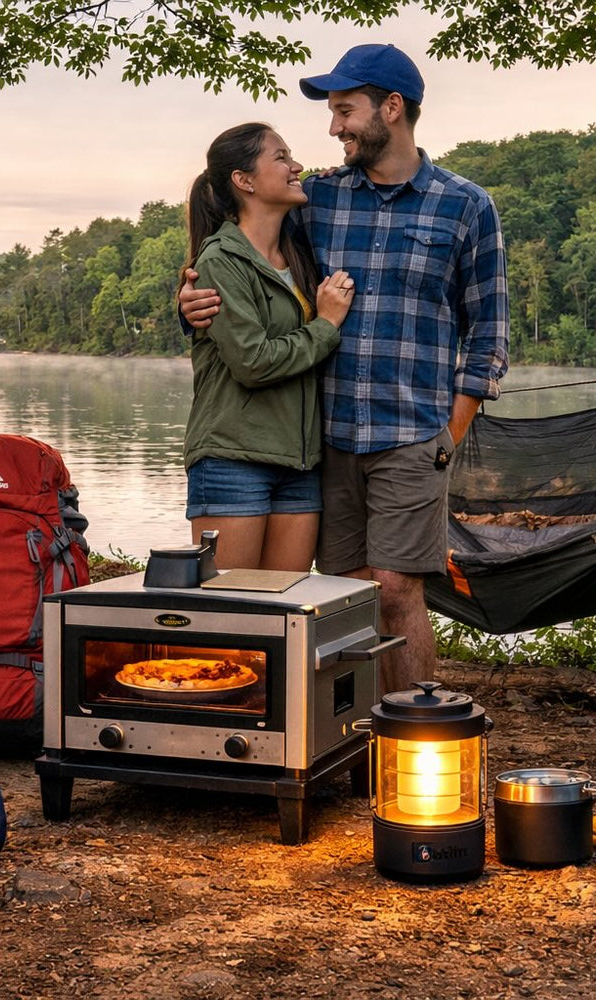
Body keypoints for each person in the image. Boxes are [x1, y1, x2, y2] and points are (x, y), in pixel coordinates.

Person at [179, 45, 509, 692]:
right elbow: (248, 256)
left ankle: (413, 739)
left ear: (392, 108)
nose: (334, 129)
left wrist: (451, 436)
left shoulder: (466, 206)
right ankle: (351, 743)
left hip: (412, 436)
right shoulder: (319, 199)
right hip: (323, 442)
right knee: (341, 595)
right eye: (332, 114)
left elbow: (489, 334)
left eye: (345, 111)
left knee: (394, 591)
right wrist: (187, 302)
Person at [182, 122, 357, 572]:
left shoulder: (299, 255)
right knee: (233, 615)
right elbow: (253, 363)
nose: (296, 165)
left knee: (283, 618)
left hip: (299, 466)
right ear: (244, 181)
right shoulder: (220, 260)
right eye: (280, 158)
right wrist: (327, 325)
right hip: (232, 460)